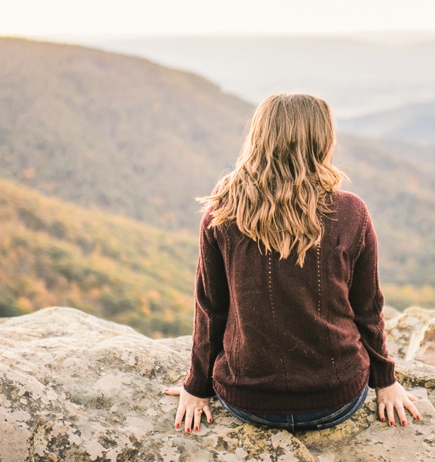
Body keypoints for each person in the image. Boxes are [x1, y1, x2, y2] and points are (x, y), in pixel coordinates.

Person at [164, 93, 420, 433]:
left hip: (247, 401)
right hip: (335, 398)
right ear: (321, 141)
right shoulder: (350, 212)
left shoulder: (223, 211)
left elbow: (211, 309)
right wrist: (385, 381)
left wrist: (197, 387)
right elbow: (368, 307)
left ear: (259, 139)